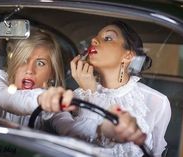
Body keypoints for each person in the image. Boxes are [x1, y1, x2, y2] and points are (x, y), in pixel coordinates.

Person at [38, 21, 171, 157]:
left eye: (108, 38)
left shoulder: (156, 101)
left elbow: (156, 153)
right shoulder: (74, 97)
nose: (94, 40)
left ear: (128, 55)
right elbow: (79, 144)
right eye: (95, 38)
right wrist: (90, 92)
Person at [0, 28, 65, 127]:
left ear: (52, 73)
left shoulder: (54, 102)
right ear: (15, 62)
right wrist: (40, 100)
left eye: (40, 63)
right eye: (23, 60)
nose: (30, 70)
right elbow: (5, 99)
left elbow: (72, 130)